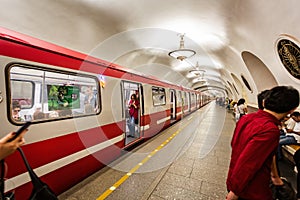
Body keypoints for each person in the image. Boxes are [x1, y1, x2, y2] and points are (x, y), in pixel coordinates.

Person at [226, 86, 299, 200]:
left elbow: (235, 145)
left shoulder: (247, 118)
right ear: (292, 110)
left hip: (233, 177)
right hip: (250, 190)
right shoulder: (270, 130)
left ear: (264, 102)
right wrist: (234, 192)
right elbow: (248, 162)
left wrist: (275, 177)